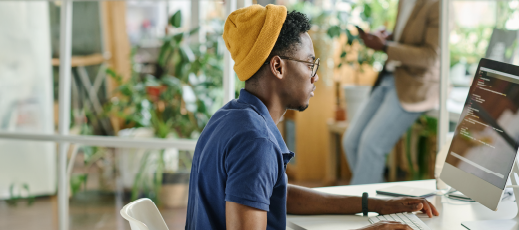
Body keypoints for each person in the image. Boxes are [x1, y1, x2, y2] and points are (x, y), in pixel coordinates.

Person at [184, 5, 438, 230]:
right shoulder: (255, 142)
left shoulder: (229, 117)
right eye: (309, 63)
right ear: (278, 67)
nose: (314, 76)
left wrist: (376, 205)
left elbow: (275, 193)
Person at [344, 0, 441, 185]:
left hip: (415, 86)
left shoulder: (438, 5)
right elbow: (405, 39)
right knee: (351, 142)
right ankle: (373, 201)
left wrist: (386, 47)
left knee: (371, 146)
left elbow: (431, 57)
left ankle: (364, 207)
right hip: (390, 77)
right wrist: (387, 38)